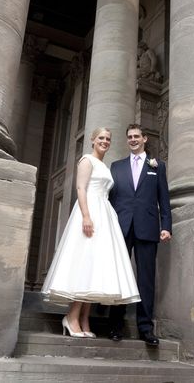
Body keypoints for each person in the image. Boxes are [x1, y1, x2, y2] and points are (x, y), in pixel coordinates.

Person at [41, 127, 140, 338]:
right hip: (91, 212)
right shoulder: (86, 160)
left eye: (108, 139)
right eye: (101, 138)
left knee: (95, 266)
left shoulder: (104, 165)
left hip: (105, 215)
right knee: (86, 263)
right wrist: (86, 216)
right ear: (92, 141)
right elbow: (80, 189)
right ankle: (71, 317)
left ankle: (84, 318)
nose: (105, 141)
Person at [108, 123, 172, 346]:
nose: (133, 140)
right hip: (121, 228)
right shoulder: (116, 167)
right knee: (119, 277)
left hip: (148, 227)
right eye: (129, 137)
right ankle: (116, 325)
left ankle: (146, 328)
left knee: (146, 279)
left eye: (136, 136)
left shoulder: (157, 166)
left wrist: (166, 226)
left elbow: (163, 199)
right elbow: (110, 200)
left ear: (145, 139)